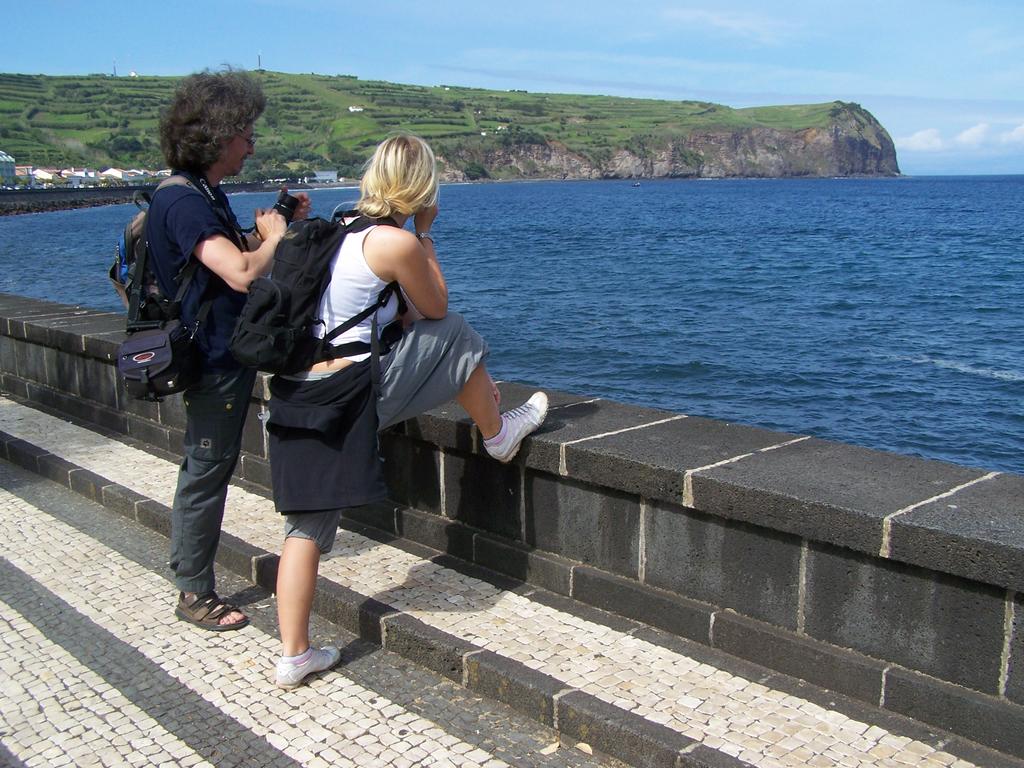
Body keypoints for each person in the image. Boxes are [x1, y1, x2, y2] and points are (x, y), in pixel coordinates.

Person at [266, 134, 548, 688]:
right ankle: (497, 432)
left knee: (304, 528)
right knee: (456, 332)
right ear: (422, 187)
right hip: (350, 396)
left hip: (295, 394)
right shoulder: (397, 244)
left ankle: (294, 655)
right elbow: (436, 308)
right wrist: (424, 233)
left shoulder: (331, 231)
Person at [147, 70, 311, 631]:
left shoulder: (198, 193)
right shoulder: (184, 202)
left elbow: (229, 250)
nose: (251, 144)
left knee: (207, 464)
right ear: (216, 136)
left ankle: (193, 576)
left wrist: (278, 223)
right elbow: (240, 272)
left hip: (223, 352)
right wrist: (273, 242)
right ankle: (193, 590)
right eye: (245, 134)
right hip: (213, 359)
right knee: (207, 467)